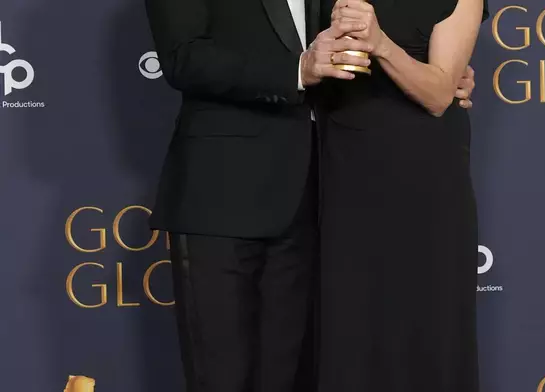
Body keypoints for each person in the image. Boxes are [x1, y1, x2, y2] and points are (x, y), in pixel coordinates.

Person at [144, 0, 478, 391]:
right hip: (221, 192)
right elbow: (182, 57)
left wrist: (441, 71)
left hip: (316, 194)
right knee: (221, 373)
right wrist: (297, 71)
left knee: (293, 374)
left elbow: (367, 52)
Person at [316, 0, 489, 391]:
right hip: (342, 171)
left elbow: (440, 94)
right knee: (351, 329)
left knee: (427, 321)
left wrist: (381, 44)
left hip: (424, 177)